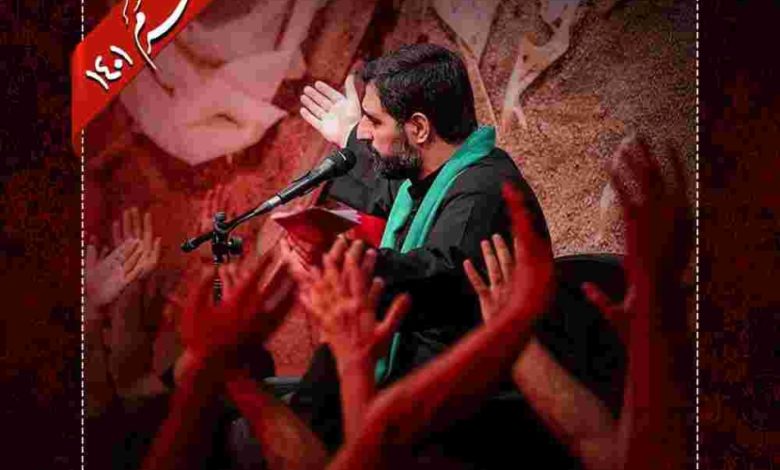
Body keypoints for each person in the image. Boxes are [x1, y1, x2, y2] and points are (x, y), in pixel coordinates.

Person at [285, 43, 550, 449]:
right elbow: (381, 187)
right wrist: (349, 136)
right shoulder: (432, 175)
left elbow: (436, 274)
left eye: (373, 121)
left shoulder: (484, 189)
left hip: (460, 422)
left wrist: (345, 259)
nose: (365, 132)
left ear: (420, 129)